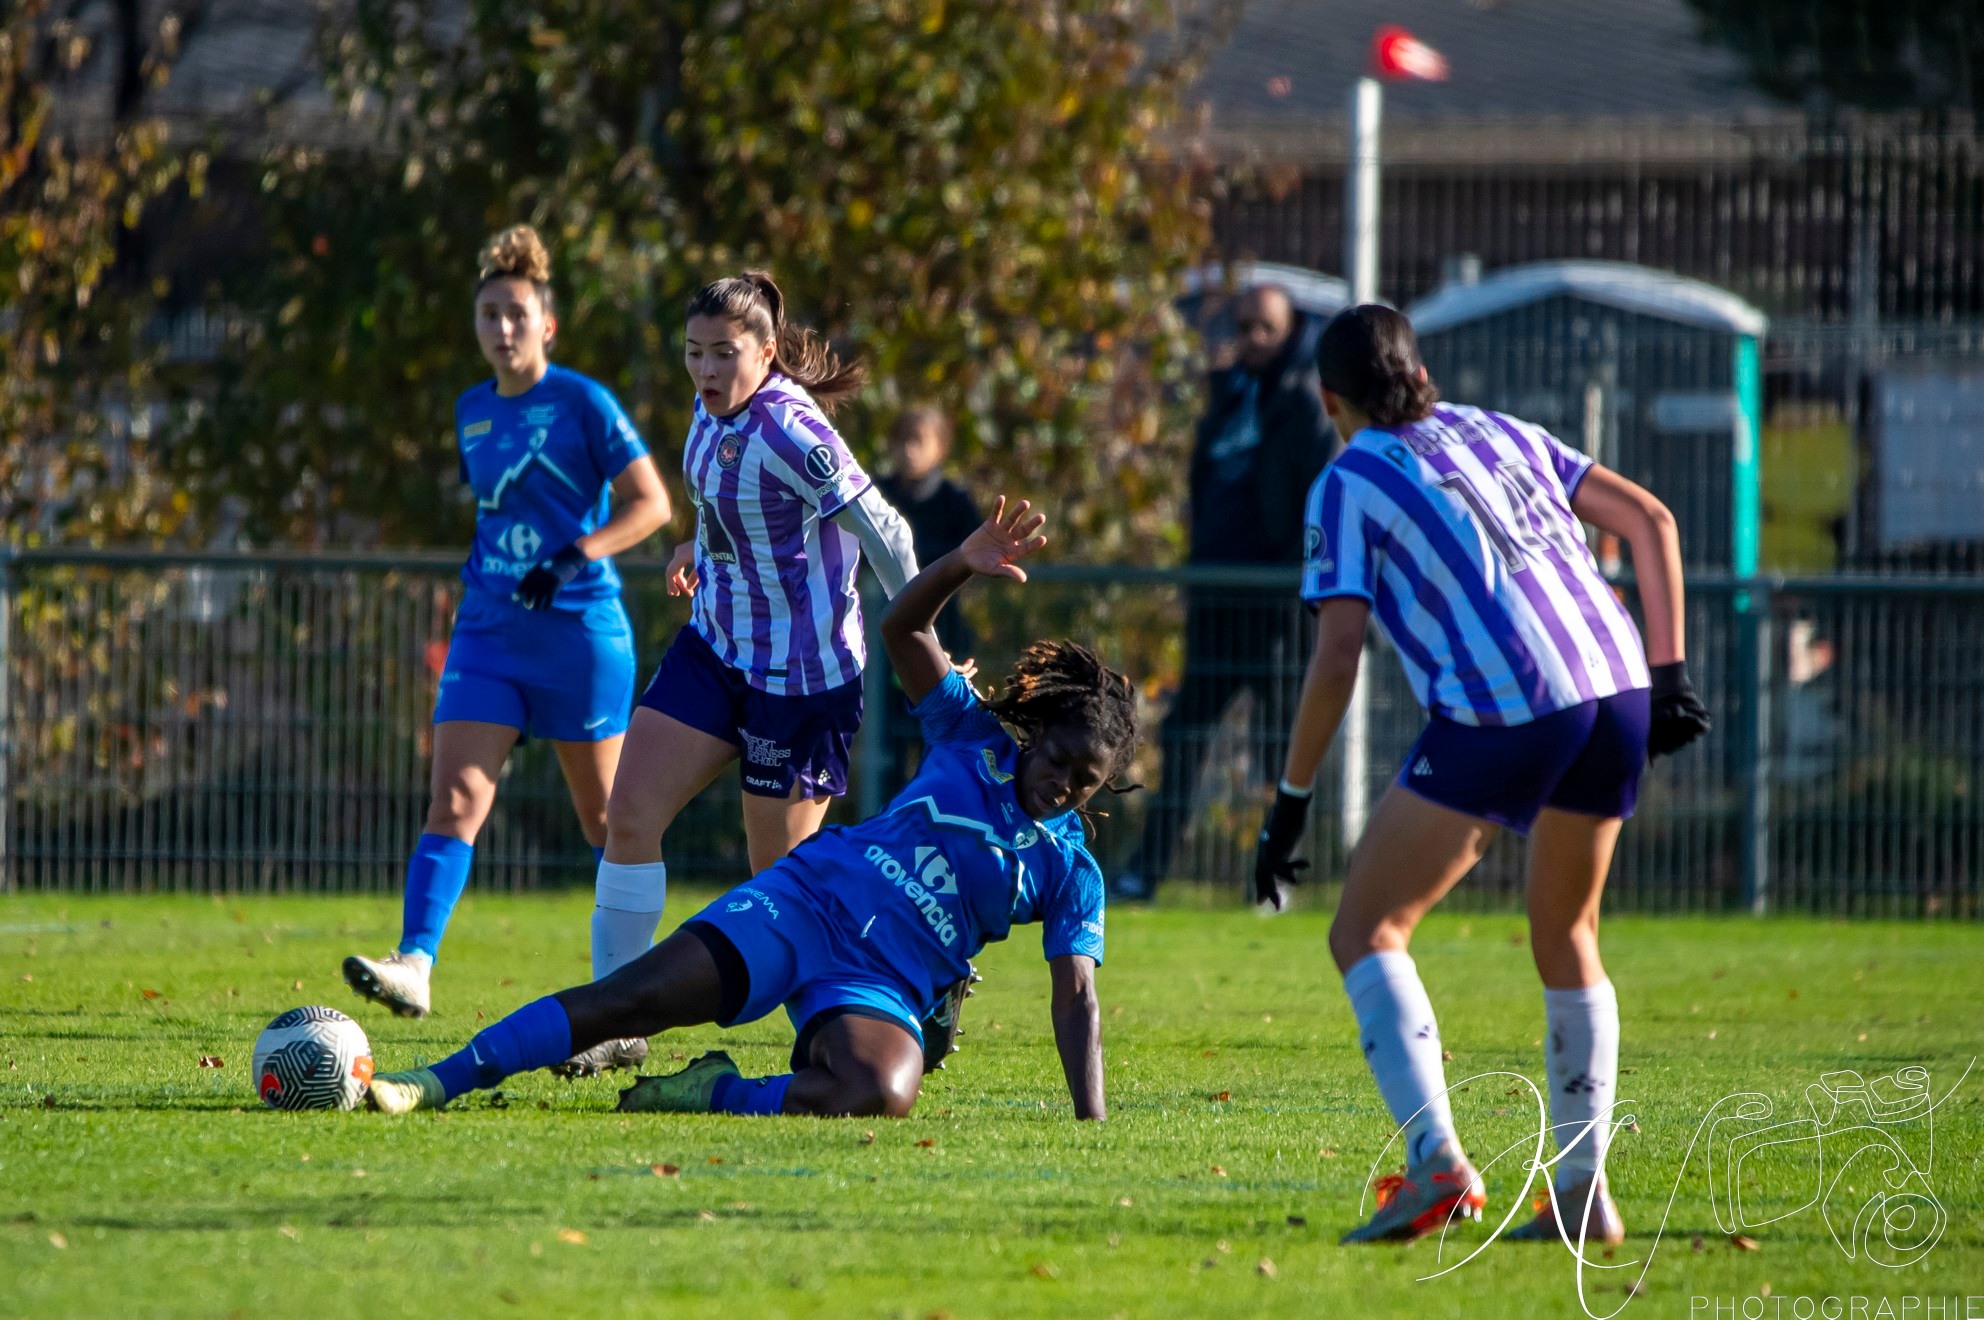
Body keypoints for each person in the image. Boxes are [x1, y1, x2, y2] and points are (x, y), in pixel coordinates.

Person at [364, 496, 1136, 1121]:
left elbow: (1077, 996)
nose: (1064, 783)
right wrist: (958, 566)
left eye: (1086, 780)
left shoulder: (1071, 871)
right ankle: (434, 1080)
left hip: (882, 984)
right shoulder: (970, 735)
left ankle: (715, 1092)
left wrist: (1090, 1121)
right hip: (805, 901)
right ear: (1034, 737)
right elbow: (903, 627)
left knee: (883, 1092)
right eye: (1059, 759)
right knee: (630, 1000)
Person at [1252, 305, 1710, 1245]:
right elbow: (1649, 519)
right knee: (1569, 935)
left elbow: (1338, 655)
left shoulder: (1346, 479)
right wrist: (1670, 675)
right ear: (1420, 370)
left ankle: (1439, 1169)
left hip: (1513, 703)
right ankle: (1583, 1193)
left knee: (1366, 928)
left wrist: (1290, 802)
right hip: (1618, 684)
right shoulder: (1501, 430)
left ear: (1331, 399)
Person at [557, 271, 922, 1076]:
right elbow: (736, 504)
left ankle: (871, 1021)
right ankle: (615, 1021)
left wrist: (921, 634)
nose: (706, 369)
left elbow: (885, 532)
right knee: (628, 816)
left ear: (766, 354)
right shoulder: (709, 407)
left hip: (799, 681)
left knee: (781, 884)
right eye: (694, 353)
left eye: (725, 353)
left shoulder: (795, 428)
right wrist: (702, 546)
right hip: (717, 647)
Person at [341, 225, 671, 1020]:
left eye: (518, 314)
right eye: (489, 314)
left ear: (547, 325)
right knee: (454, 800)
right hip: (489, 630)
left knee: (608, 820)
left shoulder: (584, 402)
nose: (503, 329)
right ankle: (415, 962)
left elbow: (653, 505)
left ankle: (638, 991)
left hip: (578, 633)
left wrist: (571, 556)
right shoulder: (470, 412)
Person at [1113, 284, 1334, 900]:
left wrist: (1291, 578)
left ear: (1290, 331)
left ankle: (1275, 878)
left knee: (1281, 751)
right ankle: (1144, 873)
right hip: (1217, 600)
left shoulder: (1307, 402)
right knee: (1186, 734)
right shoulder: (1226, 395)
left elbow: (1320, 500)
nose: (1253, 338)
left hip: (1281, 608)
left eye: (1266, 327)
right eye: (1244, 326)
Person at [874, 406, 982, 790]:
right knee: (885, 744)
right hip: (881, 649)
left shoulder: (957, 503)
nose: (908, 452)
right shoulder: (877, 495)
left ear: (941, 448)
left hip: (943, 639)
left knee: (934, 741)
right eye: (901, 441)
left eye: (918, 442)